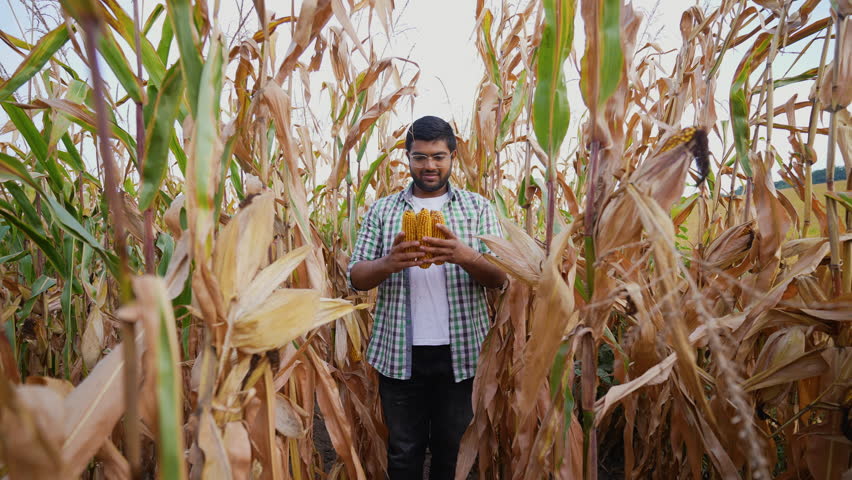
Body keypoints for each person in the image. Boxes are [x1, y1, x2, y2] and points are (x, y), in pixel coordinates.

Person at [348, 115, 507, 479]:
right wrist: (389, 263)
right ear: (408, 158)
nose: (430, 165)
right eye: (420, 157)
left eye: (438, 156)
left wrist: (464, 255)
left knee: (453, 453)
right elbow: (356, 276)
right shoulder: (384, 210)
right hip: (399, 352)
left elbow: (501, 277)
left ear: (453, 156)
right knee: (404, 452)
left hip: (462, 353)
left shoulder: (477, 208)